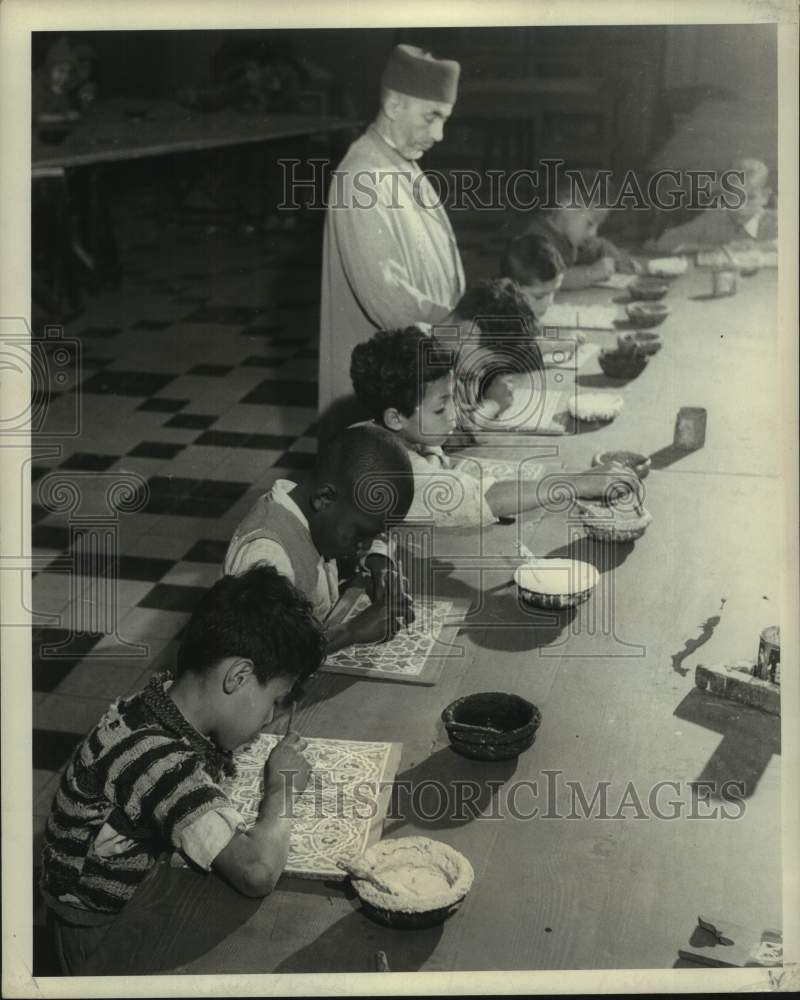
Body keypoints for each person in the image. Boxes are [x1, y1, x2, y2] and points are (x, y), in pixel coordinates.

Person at [39, 566, 325, 975]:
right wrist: (282, 786)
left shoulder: (154, 704)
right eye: (275, 700)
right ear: (239, 676)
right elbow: (257, 871)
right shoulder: (158, 760)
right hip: (103, 942)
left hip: (127, 903)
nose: (271, 718)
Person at [350, 327, 636, 529]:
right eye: (441, 407)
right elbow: (481, 499)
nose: (455, 413)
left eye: (453, 399)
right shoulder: (392, 468)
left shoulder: (402, 430)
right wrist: (577, 483)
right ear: (394, 418)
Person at [318, 44, 465, 432]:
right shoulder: (362, 176)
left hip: (418, 371)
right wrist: (464, 336)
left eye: (444, 118)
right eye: (431, 116)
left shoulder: (400, 163)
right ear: (395, 106)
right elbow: (391, 302)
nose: (439, 133)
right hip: (386, 386)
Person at [224, 424, 415, 649]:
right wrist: (350, 632)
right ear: (324, 498)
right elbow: (266, 660)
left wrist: (377, 562)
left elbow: (359, 527)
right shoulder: (266, 557)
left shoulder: (318, 513)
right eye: (362, 535)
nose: (364, 544)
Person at [648, 157, 778, 253]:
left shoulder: (775, 221)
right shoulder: (713, 218)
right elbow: (665, 242)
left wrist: (756, 247)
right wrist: (720, 248)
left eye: (750, 198)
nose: (740, 207)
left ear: (765, 196)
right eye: (733, 198)